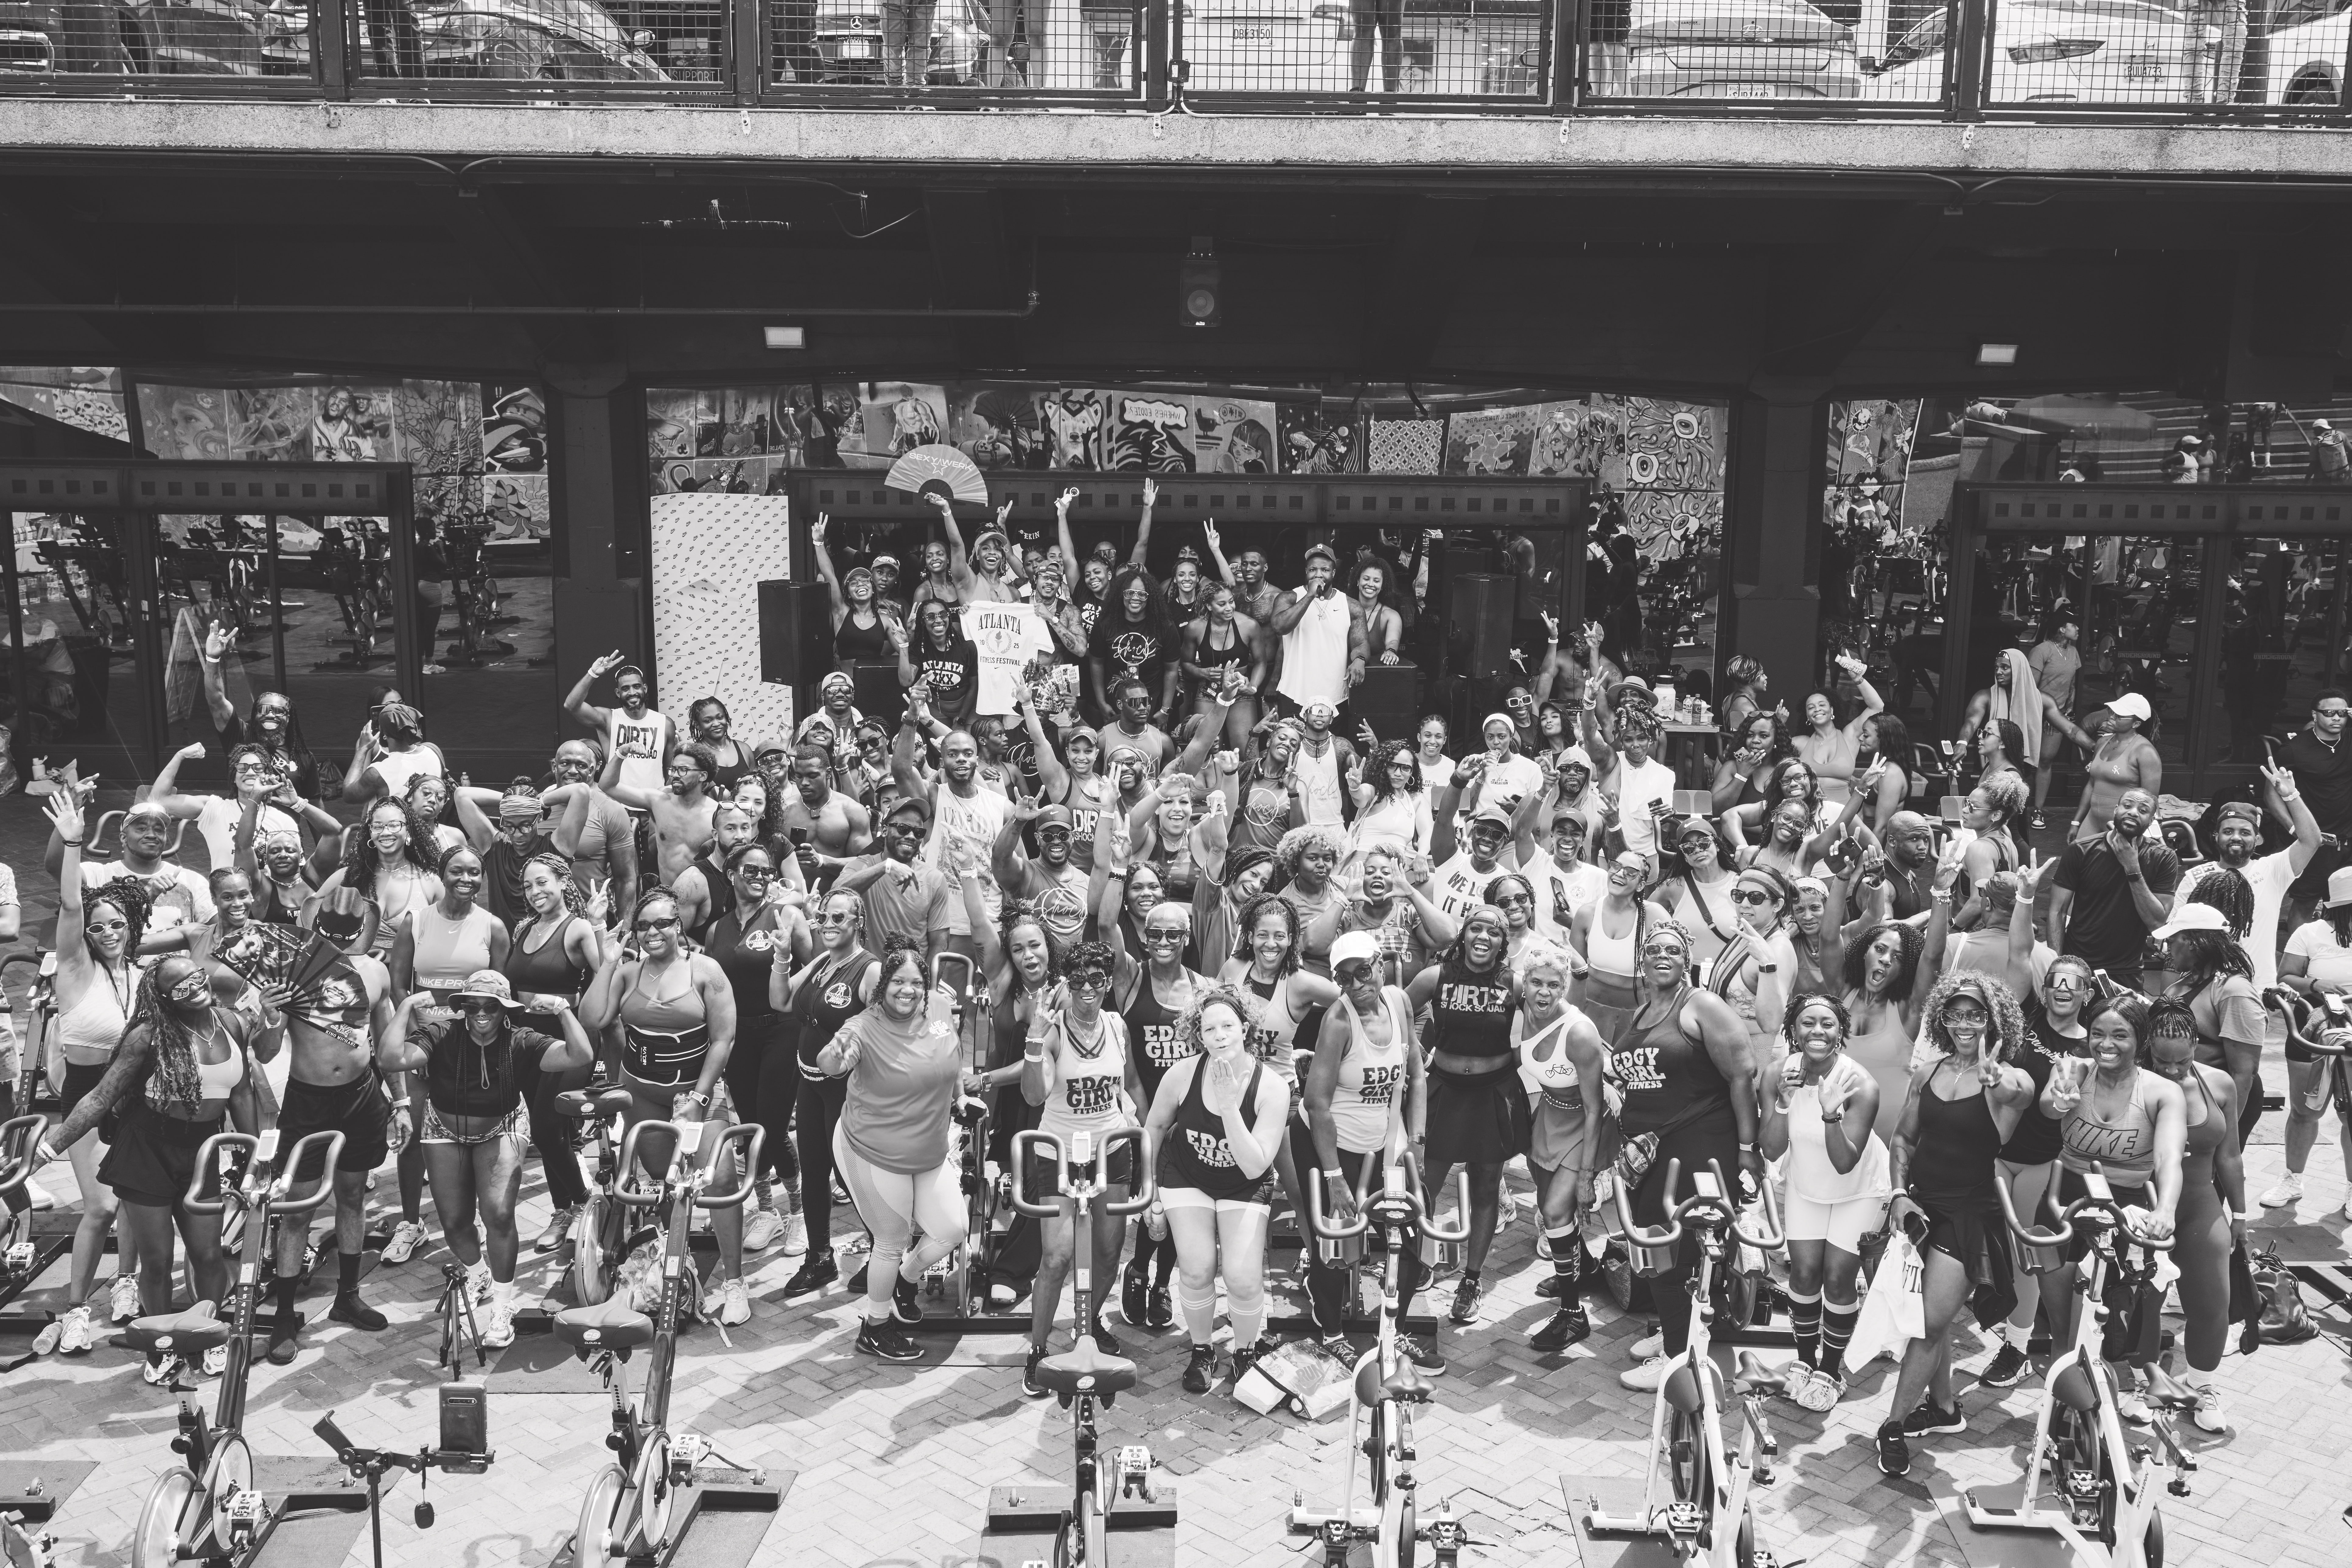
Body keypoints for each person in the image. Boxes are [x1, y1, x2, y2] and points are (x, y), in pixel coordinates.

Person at [27, 955, 277, 1381]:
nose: (194, 987)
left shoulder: (232, 1023)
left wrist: (258, 1156)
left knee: (209, 1254)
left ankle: (208, 1337)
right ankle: (161, 1351)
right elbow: (100, 1098)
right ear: (163, 997)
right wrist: (47, 1148)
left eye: (197, 977)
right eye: (180, 986)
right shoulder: (148, 1036)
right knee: (158, 1260)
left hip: (204, 1152)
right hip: (146, 1151)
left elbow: (241, 1094)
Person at [1873, 973, 2036, 1476]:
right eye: (1956, 1014)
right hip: (1922, 1208)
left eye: (1976, 1015)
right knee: (1933, 1317)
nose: (1965, 1024)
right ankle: (1943, 1409)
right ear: (1941, 1018)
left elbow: (2019, 1091)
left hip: (1969, 1215)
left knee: (1927, 1322)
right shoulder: (1927, 1072)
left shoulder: (2009, 1080)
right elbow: (1902, 1140)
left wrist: (1996, 1077)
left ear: (1994, 1020)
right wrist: (1898, 1194)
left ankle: (1892, 1426)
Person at [578, 889, 754, 1328]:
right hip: (643, 1093)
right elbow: (593, 1019)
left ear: (679, 926)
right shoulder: (628, 972)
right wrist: (610, 959)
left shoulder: (705, 971)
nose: (653, 932)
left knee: (719, 1179)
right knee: (664, 1186)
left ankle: (734, 1282)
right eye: (644, 926)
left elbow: (723, 1041)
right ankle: (679, 1270)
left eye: (662, 924)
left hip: (696, 1092)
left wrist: (698, 1100)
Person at [393, 972, 592, 1348]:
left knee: (498, 1214)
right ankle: (477, 1272)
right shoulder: (442, 1033)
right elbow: (392, 1056)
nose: (482, 1013)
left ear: (505, 1010)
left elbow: (580, 1055)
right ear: (463, 1008)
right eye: (473, 1005)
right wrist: (404, 1007)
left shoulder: (521, 1038)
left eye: (491, 1006)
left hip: (502, 1126)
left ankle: (503, 1305)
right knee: (453, 1222)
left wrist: (563, 1009)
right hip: (443, 1127)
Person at [1609, 919, 1762, 1391]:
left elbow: (1742, 1076)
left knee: (1675, 1250)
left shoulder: (1703, 1006)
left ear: (1687, 959)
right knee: (1656, 1245)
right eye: (1654, 949)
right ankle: (1676, 1331)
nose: (1663, 955)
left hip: (1699, 1145)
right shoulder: (1637, 1015)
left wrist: (1746, 1150)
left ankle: (1679, 1358)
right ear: (1642, 960)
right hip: (1652, 1152)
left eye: (1673, 950)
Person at [816, 940, 979, 1361]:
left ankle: (907, 1280)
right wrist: (835, 1055)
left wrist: (959, 1098)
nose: (907, 991)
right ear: (882, 986)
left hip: (928, 1148)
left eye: (915, 983)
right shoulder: (863, 1027)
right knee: (891, 1240)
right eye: (898, 982)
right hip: (874, 1149)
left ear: (926, 987)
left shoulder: (940, 1010)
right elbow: (832, 1061)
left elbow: (951, 1059)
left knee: (952, 1230)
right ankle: (874, 1327)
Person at [35, 794, 156, 1352]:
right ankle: (76, 1307)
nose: (108, 931)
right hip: (87, 1095)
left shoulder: (142, 973)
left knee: (135, 1198)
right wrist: (74, 841)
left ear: (133, 924)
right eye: (99, 925)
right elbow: (68, 908)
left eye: (118, 923)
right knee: (100, 1205)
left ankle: (128, 1282)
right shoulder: (75, 967)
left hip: (135, 1096)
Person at [2035, 992, 2188, 1428]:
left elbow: (2169, 1159)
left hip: (2127, 1204)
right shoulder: (2071, 1071)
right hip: (2065, 1198)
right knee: (2064, 1324)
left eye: (2120, 1035)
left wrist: (2168, 1210)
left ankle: (2106, 1400)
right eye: (2098, 1033)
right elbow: (2050, 1106)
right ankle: (2059, 1419)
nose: (2107, 1044)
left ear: (2139, 1040)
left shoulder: (2161, 1091)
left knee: (2110, 1317)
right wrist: (2058, 1101)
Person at [265, 890, 404, 1363]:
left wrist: (401, 1100)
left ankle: (347, 1295)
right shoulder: (291, 975)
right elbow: (266, 1052)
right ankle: (285, 1313)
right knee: (298, 1208)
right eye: (331, 940)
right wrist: (270, 1012)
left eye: (348, 941)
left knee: (352, 1197)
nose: (340, 951)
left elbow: (386, 1042)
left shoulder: (374, 972)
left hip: (363, 1096)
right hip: (309, 1101)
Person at [1017, 942, 1148, 1395]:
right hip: (1060, 1149)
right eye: (1078, 981)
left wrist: (1147, 1131)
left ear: (1109, 983)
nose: (1088, 989)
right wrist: (1035, 1038)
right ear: (1066, 985)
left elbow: (1128, 1084)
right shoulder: (1053, 1030)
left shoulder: (1117, 1025)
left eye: (1097, 980)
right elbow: (1035, 1096)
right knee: (1057, 1257)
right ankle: (1037, 1351)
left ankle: (1088, 1326)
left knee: (1110, 1252)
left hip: (1111, 1146)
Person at [1149, 983, 1291, 1393]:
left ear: (1245, 1028)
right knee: (1196, 1268)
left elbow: (1253, 1165)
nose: (1220, 1037)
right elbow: (1155, 1126)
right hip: (1188, 1175)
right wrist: (1149, 1191)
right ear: (1199, 1035)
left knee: (1243, 1278)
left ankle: (1244, 1351)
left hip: (1243, 1183)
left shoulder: (1272, 1087)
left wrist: (1230, 1106)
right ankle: (1202, 1350)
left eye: (1228, 1026)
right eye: (1209, 1030)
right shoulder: (1182, 1074)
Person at [1300, 929, 1434, 1362]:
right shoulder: (1338, 1022)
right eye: (1345, 979)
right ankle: (1332, 1333)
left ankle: (1396, 1328)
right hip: (1329, 1146)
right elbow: (1316, 1105)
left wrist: (1416, 1142)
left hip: (1383, 1145)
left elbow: (1415, 1076)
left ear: (1380, 964)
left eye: (1363, 972)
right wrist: (1335, 1177)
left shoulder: (1399, 1001)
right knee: (1337, 1245)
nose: (1357, 985)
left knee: (1414, 1238)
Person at [1758, 992, 1886, 1412]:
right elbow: (1773, 1150)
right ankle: (1804, 1360)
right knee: (1804, 1273)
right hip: (1806, 1185)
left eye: (1827, 1024)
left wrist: (1831, 1114)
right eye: (1808, 1023)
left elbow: (1846, 1162)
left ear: (1841, 1032)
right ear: (1793, 1030)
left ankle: (1831, 1370)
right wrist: (1781, 1101)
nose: (1817, 1031)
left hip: (1858, 1190)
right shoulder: (1779, 1073)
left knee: (1837, 1278)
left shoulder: (1861, 1084)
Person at [1405, 905, 1522, 1338]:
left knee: (1487, 1186)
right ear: (1464, 934)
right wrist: (1412, 1052)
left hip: (1492, 1094)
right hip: (1444, 1091)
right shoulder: (1436, 976)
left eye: (1494, 932)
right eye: (1476, 927)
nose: (1484, 937)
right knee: (1424, 1184)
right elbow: (1397, 1008)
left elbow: (1554, 1018)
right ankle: (1418, 1262)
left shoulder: (1515, 984)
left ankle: (1472, 1280)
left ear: (1502, 942)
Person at [2139, 997, 2249, 1434]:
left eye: (2182, 1062)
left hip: (2201, 1202)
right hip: (2146, 1204)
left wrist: (2240, 1214)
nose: (2172, 1071)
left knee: (2212, 1303)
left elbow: (2231, 1157)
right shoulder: (2131, 1083)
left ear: (2197, 1046)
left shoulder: (2220, 1085)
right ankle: (2138, 1384)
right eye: (2162, 1062)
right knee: (2140, 1303)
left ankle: (2201, 1386)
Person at [1112, 900, 1216, 1329]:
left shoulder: (1205, 987)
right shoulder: (1131, 977)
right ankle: (1137, 1271)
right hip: (1142, 1113)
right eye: (1155, 934)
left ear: (1187, 937)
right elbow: (1104, 923)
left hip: (1188, 1117)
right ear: (1143, 937)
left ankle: (1160, 1283)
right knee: (1148, 1203)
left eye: (1174, 934)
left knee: (1181, 1206)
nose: (1164, 942)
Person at [703, 842, 810, 1257]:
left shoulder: (786, 916)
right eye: (750, 870)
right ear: (731, 874)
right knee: (749, 1124)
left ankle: (799, 1215)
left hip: (782, 1031)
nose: (760, 878)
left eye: (767, 872)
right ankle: (766, 1211)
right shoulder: (717, 930)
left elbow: (817, 967)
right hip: (738, 1037)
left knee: (773, 1124)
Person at [773, 890, 881, 1298]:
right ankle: (819, 1259)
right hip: (811, 1084)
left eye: (840, 917)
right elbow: (780, 999)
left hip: (846, 1090)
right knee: (815, 1171)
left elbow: (882, 1035)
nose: (829, 924)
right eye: (824, 917)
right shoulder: (821, 962)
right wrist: (783, 956)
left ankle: (884, 1253)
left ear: (858, 922)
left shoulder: (869, 971)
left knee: (853, 1176)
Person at [502, 853, 606, 1251]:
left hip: (568, 1037)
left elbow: (606, 976)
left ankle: (581, 1202)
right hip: (528, 1041)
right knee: (550, 1133)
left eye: (542, 882)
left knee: (546, 1126)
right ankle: (563, 1210)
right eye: (528, 886)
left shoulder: (577, 928)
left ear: (563, 882)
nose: (535, 892)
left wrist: (598, 926)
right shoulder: (524, 928)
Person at [1511, 940, 1606, 1352]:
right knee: (1558, 1215)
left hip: (1585, 1125)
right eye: (1536, 983)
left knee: (1553, 1213)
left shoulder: (1580, 1033)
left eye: (1554, 984)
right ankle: (1582, 1272)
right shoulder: (1523, 1007)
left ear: (1566, 985)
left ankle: (1573, 1314)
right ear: (1525, 984)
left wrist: (1587, 1176)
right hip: (1548, 1118)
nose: (1544, 993)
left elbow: (1594, 1108)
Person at [2049, 787, 2180, 993]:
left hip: (2127, 970)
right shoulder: (2081, 850)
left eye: (2143, 810)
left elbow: (2157, 923)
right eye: (2128, 806)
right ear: (2116, 810)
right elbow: (2057, 911)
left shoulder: (2163, 858)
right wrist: (2057, 964)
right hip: (2078, 963)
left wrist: (2132, 868)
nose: (2133, 812)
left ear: (2151, 820)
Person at [2270, 689, 2352, 930]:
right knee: (2306, 904)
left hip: (2349, 838)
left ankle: (2336, 958)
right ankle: (2299, 960)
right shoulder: (2295, 750)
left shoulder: (2349, 739)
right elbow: (2272, 795)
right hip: (2319, 840)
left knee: (2344, 902)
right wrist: (2295, 829)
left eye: (2342, 713)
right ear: (2315, 716)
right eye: (2329, 713)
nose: (2336, 718)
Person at [602, 741, 719, 890]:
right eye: (674, 770)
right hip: (666, 897)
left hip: (702, 899)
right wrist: (622, 753)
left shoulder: (717, 814)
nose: (676, 775)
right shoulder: (658, 801)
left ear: (703, 776)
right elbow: (608, 786)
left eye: (683, 770)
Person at [1270, 543, 1367, 720]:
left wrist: (1359, 659)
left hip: (1335, 697)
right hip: (1294, 693)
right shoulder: (1289, 598)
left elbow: (1360, 644)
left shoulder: (1351, 606)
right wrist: (1309, 596)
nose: (1319, 575)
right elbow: (1280, 627)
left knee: (1331, 747)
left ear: (1334, 574)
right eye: (1313, 570)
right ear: (1306, 572)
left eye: (1325, 570)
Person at [566, 653, 672, 803]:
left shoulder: (665, 723)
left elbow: (670, 773)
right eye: (626, 689)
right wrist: (593, 674)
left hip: (654, 806)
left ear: (645, 689)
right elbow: (571, 706)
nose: (633, 693)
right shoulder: (608, 719)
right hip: (617, 806)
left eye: (637, 687)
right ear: (618, 693)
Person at [1180, 580, 1267, 748]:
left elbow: (1261, 662)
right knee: (1205, 746)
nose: (1229, 608)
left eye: (1231, 601)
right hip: (1208, 691)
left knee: (1244, 748)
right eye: (1222, 604)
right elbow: (1186, 663)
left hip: (1240, 691)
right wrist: (1203, 673)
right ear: (1209, 606)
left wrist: (1253, 688)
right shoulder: (1195, 628)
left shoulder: (1249, 625)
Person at [810, 511, 901, 669]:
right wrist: (819, 542)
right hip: (845, 689)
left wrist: (911, 636)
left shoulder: (885, 620)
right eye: (854, 582)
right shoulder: (841, 612)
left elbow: (905, 653)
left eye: (866, 580)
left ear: (873, 589)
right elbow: (830, 574)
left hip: (874, 686)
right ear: (847, 592)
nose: (861, 584)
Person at [1791, 659, 1884, 807]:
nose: (1817, 709)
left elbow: (1877, 707)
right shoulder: (1801, 742)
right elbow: (1773, 748)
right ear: (1808, 717)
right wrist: (1778, 722)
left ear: (1832, 710)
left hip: (1844, 814)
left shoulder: (1849, 736)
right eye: (1811, 708)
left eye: (1822, 705)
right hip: (1809, 814)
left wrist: (1858, 679)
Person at [2069, 693, 2162, 841]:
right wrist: (2076, 822)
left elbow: (2150, 801)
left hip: (2124, 826)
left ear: (2136, 724)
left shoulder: (2145, 752)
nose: (2111, 717)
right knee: (2081, 861)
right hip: (2092, 821)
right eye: (2112, 713)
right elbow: (2092, 784)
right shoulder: (2102, 742)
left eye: (2119, 716)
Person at [2026, 609, 2085, 829]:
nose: (2078, 629)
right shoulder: (2041, 651)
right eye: (2074, 625)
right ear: (2062, 629)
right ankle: (2016, 807)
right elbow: (2031, 688)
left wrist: (2067, 711)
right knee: (2025, 762)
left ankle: (2038, 811)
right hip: (2035, 716)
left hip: (2058, 719)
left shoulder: (2074, 653)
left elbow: (2072, 685)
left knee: (2046, 761)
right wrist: (2039, 715)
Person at [341, 699, 447, 807]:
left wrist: (363, 749)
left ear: (384, 734)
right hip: (429, 823)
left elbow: (349, 795)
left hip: (397, 824)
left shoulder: (379, 773)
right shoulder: (433, 751)